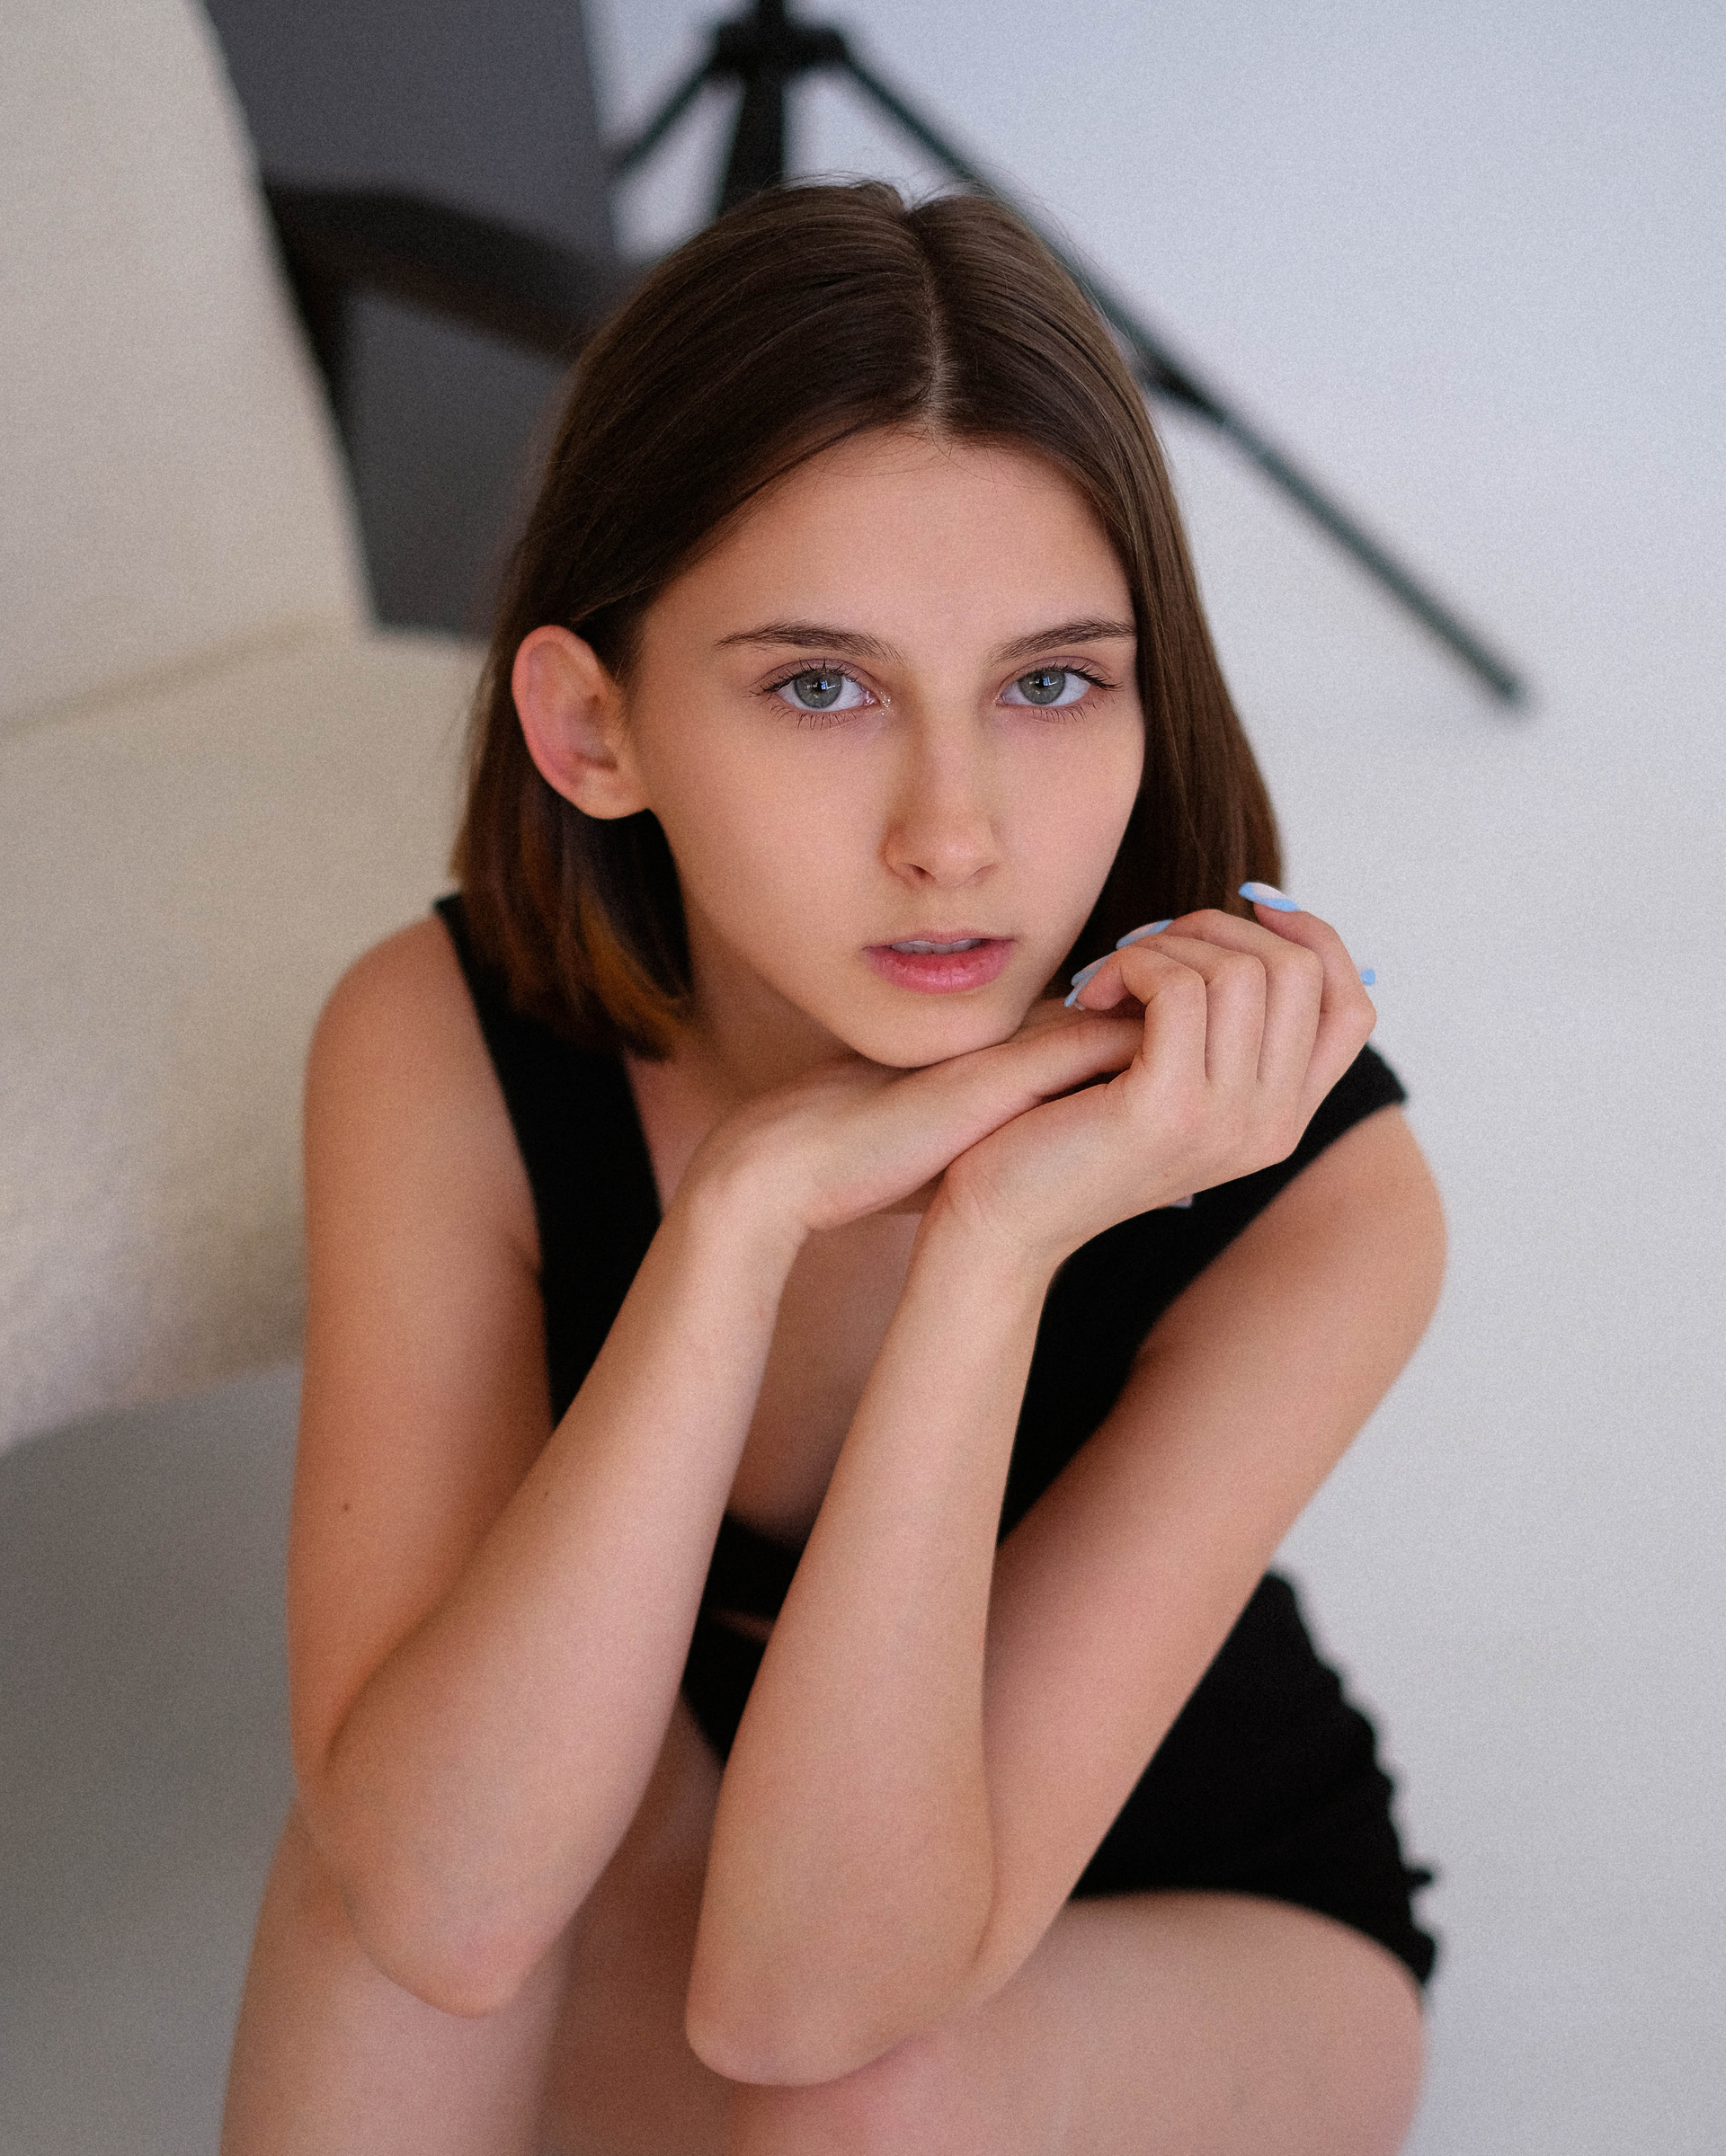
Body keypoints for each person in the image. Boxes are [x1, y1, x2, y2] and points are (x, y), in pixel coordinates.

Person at [221, 181, 1446, 2155]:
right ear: (593, 726)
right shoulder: (438, 1043)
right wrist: (738, 1219)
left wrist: (997, 1243)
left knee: (860, 2101)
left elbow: (804, 2006)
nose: (954, 835)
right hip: (704, 1835)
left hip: (1174, 1924)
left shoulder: (1319, 1195)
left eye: (1050, 682)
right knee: (376, 1864)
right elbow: (436, 1915)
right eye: (822, 686)